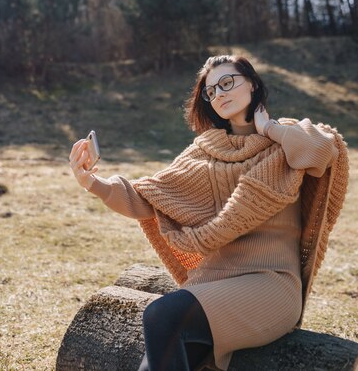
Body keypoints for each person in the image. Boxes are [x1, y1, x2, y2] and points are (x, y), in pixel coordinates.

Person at [69, 55, 349, 371]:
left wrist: (269, 128)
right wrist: (91, 181)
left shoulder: (286, 138)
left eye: (227, 83)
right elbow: (147, 197)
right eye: (211, 91)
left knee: (162, 314)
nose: (218, 94)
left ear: (253, 84)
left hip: (271, 286)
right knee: (160, 350)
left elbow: (324, 152)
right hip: (211, 283)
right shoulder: (204, 153)